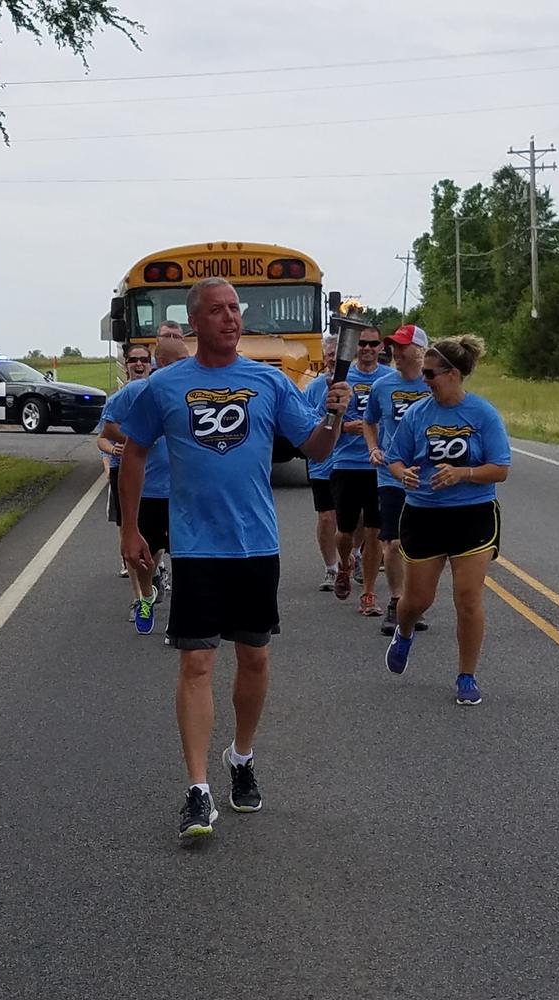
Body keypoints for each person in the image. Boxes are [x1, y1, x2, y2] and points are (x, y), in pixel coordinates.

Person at [118, 276, 352, 840]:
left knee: (254, 660)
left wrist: (335, 415)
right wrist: (130, 529)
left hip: (255, 545)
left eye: (234, 310)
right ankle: (197, 789)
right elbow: (134, 451)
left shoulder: (268, 381)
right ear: (195, 321)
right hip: (196, 546)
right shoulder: (166, 385)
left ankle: (240, 757)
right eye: (218, 310)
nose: (231, 318)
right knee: (197, 663)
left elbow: (315, 447)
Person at [384, 334, 511, 705]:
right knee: (416, 600)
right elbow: (395, 458)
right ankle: (404, 631)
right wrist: (401, 473)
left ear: (453, 374)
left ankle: (466, 675)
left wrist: (463, 474)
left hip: (473, 515)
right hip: (424, 514)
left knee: (468, 599)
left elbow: (500, 468)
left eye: (430, 374)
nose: (425, 380)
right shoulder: (417, 414)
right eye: (424, 374)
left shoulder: (482, 414)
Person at [103, 339, 188, 634]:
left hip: (182, 492)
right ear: (160, 364)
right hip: (149, 490)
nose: (185, 367)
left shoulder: (194, 392)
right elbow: (109, 426)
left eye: (187, 360)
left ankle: (180, 620)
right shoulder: (139, 391)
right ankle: (145, 599)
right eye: (178, 362)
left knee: (187, 557)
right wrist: (136, 438)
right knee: (146, 557)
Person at [363, 324, 432, 635]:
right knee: (392, 541)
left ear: (421, 350)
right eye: (393, 347)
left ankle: (414, 603)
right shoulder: (382, 385)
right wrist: (374, 448)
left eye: (403, 347)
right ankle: (396, 602)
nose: (396, 352)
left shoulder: (435, 385)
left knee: (421, 546)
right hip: (391, 475)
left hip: (428, 477)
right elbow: (369, 422)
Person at [329, 326, 390, 614]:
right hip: (346, 462)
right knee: (344, 530)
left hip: (378, 464)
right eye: (362, 343)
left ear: (381, 347)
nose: (366, 348)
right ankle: (344, 562)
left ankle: (368, 594)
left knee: (375, 530)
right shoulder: (341, 379)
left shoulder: (389, 379)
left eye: (372, 344)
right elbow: (324, 422)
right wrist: (346, 426)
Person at [97, 345, 151, 582]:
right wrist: (112, 452)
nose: (139, 365)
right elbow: (102, 438)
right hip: (124, 468)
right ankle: (128, 560)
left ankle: (155, 566)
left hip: (155, 471)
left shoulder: (157, 393)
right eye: (133, 360)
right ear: (125, 365)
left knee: (154, 521)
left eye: (144, 360)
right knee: (126, 519)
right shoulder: (115, 400)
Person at [304, 336, 340, 590]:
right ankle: (331, 568)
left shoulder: (363, 384)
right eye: (329, 355)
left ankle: (356, 555)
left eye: (338, 355)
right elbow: (305, 421)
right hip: (322, 463)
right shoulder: (314, 388)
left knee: (357, 519)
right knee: (327, 517)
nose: (333, 360)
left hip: (356, 462)